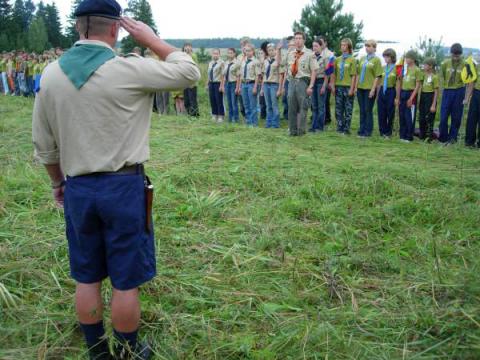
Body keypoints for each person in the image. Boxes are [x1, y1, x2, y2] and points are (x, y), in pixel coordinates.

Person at [32, 1, 200, 359]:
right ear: (116, 29)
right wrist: (153, 40)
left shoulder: (51, 75)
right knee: (126, 279)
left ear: (79, 28)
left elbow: (44, 145)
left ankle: (97, 352)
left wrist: (56, 182)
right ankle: (127, 351)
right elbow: (188, 72)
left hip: (77, 186)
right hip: (123, 188)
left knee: (86, 276)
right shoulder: (128, 69)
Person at [285, 32, 318, 136]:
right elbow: (286, 67)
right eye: (296, 38)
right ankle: (292, 130)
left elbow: (314, 71)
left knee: (303, 107)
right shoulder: (290, 54)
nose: (297, 40)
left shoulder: (310, 54)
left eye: (300, 38)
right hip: (292, 81)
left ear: (304, 40)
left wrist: (311, 86)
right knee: (291, 107)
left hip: (303, 81)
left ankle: (301, 131)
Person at [439, 43, 466, 144]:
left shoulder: (464, 64)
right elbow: (442, 76)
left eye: (458, 56)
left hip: (459, 91)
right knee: (443, 117)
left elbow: (467, 80)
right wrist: (442, 89)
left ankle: (452, 139)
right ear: (451, 53)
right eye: (454, 55)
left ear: (461, 54)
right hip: (447, 91)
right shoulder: (445, 63)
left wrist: (466, 96)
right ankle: (443, 138)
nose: (455, 58)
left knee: (456, 117)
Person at [356, 40, 383, 137]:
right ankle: (361, 129)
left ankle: (368, 131)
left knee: (368, 109)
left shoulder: (376, 60)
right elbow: (358, 73)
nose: (367, 48)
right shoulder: (362, 58)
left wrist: (373, 89)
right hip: (360, 87)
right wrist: (356, 86)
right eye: (366, 46)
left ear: (374, 48)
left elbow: (377, 76)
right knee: (362, 109)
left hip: (369, 88)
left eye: (369, 46)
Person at [330, 38, 357, 135]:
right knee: (338, 108)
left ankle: (346, 128)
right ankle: (339, 126)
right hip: (338, 86)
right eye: (341, 45)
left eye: (344, 45)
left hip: (348, 86)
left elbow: (354, 75)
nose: (342, 47)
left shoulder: (352, 60)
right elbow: (334, 74)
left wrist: (352, 88)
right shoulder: (337, 59)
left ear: (349, 46)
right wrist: (332, 85)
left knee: (348, 108)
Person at [396, 50, 423, 142]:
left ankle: (409, 136)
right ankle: (402, 135)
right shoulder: (404, 69)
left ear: (413, 59)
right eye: (406, 58)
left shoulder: (417, 70)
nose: (406, 60)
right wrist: (398, 97)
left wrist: (411, 98)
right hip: (403, 92)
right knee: (402, 115)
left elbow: (417, 86)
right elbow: (399, 83)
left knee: (409, 116)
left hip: (411, 93)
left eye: (408, 58)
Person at [309, 36, 333, 133]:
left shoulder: (325, 57)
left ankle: (319, 127)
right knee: (314, 106)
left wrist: (324, 85)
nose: (314, 48)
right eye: (313, 46)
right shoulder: (311, 57)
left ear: (321, 46)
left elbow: (328, 73)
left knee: (321, 106)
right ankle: (313, 126)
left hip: (321, 81)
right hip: (313, 82)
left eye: (316, 46)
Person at [237, 44, 261, 127]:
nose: (248, 52)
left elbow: (258, 75)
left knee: (253, 105)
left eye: (249, 50)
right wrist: (239, 86)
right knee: (246, 105)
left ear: (253, 51)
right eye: (246, 51)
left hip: (251, 84)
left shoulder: (256, 61)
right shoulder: (243, 61)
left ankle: (254, 124)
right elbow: (240, 74)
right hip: (244, 84)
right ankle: (248, 122)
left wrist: (255, 87)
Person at [261, 43, 284, 128]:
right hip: (266, 84)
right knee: (268, 105)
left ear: (275, 50)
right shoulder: (266, 61)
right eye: (269, 50)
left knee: (274, 105)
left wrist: (280, 89)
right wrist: (262, 89)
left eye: (272, 50)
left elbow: (281, 74)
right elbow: (264, 75)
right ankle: (268, 123)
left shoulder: (277, 60)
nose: (271, 52)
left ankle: (275, 124)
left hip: (274, 85)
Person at [377, 49, 397, 138]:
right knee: (381, 111)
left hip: (391, 90)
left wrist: (397, 97)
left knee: (390, 111)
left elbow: (398, 83)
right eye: (384, 56)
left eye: (387, 56)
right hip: (382, 90)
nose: (385, 58)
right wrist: (378, 93)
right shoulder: (383, 68)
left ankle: (388, 132)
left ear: (392, 57)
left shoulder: (396, 68)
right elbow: (379, 80)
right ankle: (382, 131)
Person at [418, 57, 439, 141]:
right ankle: (422, 135)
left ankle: (429, 137)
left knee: (429, 117)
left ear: (431, 66)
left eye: (425, 65)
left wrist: (433, 104)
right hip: (423, 96)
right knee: (421, 117)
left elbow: (436, 91)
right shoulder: (423, 75)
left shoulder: (435, 77)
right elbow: (420, 86)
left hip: (430, 96)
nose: (424, 66)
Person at [221, 48, 241, 123]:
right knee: (229, 102)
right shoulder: (226, 63)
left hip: (233, 83)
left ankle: (236, 119)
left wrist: (237, 87)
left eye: (231, 53)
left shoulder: (237, 63)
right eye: (228, 53)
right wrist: (222, 86)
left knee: (234, 102)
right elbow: (223, 75)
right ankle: (230, 118)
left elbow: (239, 76)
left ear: (234, 54)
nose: (230, 54)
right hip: (227, 84)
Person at [464, 59, 480, 148]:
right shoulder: (477, 68)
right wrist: (467, 98)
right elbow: (472, 83)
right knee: (472, 118)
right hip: (477, 93)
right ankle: (469, 142)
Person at [206, 48, 225, 122]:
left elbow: (223, 75)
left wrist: (221, 85)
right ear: (212, 54)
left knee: (218, 100)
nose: (215, 55)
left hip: (218, 83)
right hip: (211, 83)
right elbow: (209, 74)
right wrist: (207, 84)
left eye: (217, 53)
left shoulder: (222, 63)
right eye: (214, 53)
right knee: (212, 99)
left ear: (219, 54)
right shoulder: (210, 63)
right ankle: (214, 114)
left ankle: (221, 115)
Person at [182, 43, 200, 117]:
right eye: (186, 47)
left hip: (192, 82)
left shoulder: (193, 56)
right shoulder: (183, 56)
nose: (187, 48)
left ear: (191, 48)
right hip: (185, 81)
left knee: (192, 100)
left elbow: (196, 67)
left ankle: (195, 115)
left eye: (189, 47)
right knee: (186, 100)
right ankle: (189, 114)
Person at [281, 36, 295, 121]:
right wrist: (283, 84)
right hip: (287, 78)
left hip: (295, 79)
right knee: (285, 97)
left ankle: (292, 115)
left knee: (292, 98)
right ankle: (286, 114)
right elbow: (284, 67)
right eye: (288, 43)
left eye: (291, 43)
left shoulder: (298, 53)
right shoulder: (287, 53)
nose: (289, 45)